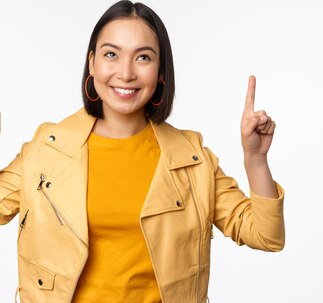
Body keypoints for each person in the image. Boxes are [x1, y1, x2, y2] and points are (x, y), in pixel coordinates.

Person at [0, 1, 285, 302]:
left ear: (161, 72)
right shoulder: (46, 150)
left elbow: (266, 236)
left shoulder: (192, 159)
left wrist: (255, 159)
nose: (126, 73)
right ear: (92, 62)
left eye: (143, 58)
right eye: (111, 54)